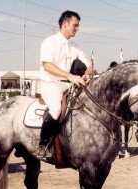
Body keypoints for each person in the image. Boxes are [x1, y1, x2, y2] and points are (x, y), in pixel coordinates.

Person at [39, 10, 93, 157]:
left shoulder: (75, 47)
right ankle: (43, 145)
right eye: (75, 25)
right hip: (51, 84)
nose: (77, 29)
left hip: (69, 85)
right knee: (56, 109)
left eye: (78, 26)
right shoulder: (49, 42)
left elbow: (89, 67)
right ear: (65, 24)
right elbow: (47, 66)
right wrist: (70, 76)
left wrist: (87, 75)